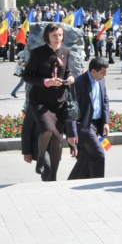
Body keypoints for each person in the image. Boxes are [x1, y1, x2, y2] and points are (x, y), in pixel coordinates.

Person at [22, 23, 75, 181]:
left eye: (60, 35)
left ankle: (53, 177)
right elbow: (27, 76)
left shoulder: (65, 52)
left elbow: (67, 71)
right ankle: (40, 157)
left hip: (58, 101)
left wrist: (70, 78)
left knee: (58, 140)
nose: (58, 38)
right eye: (54, 35)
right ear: (47, 36)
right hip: (40, 101)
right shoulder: (38, 53)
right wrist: (46, 81)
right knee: (47, 130)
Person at [66, 57, 110, 180]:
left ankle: (73, 181)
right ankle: (97, 183)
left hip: (97, 124)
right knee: (99, 154)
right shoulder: (79, 83)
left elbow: (105, 100)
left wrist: (106, 122)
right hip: (85, 125)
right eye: (103, 72)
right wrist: (72, 133)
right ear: (93, 71)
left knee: (86, 157)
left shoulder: (101, 80)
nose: (105, 75)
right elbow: (72, 110)